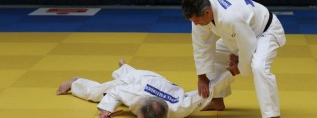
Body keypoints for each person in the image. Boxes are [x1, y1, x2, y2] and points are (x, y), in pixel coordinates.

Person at [181, 0, 286, 118]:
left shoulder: (229, 17)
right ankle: (216, 99)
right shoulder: (202, 12)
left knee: (259, 67)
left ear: (207, 13)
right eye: (193, 21)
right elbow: (201, 46)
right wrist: (202, 77)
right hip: (241, 33)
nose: (196, 24)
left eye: (197, 21)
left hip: (265, 31)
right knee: (215, 55)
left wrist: (239, 66)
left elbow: (248, 45)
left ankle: (272, 114)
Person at [56, 59, 236, 118]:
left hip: (153, 79)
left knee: (134, 76)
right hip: (137, 80)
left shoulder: (180, 108)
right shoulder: (134, 95)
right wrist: (105, 109)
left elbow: (207, 91)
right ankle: (75, 82)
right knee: (96, 93)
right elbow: (115, 93)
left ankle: (125, 67)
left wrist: (230, 72)